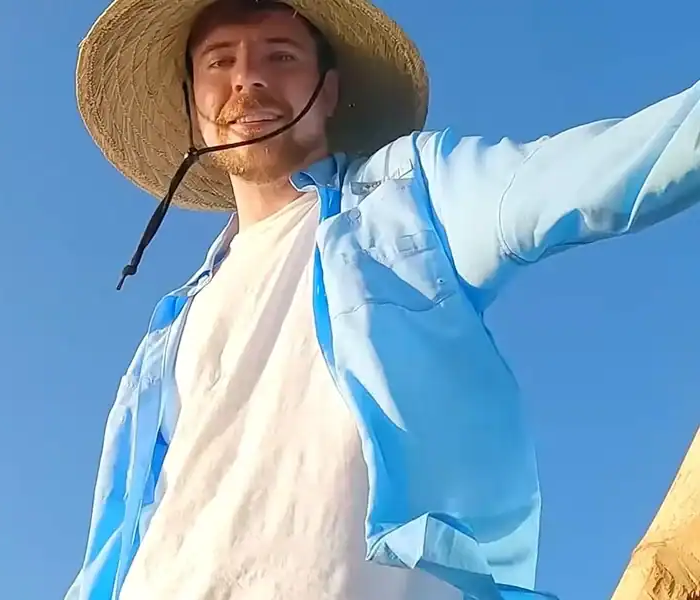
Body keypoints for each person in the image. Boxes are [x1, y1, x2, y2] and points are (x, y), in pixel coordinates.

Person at [67, 0, 700, 598]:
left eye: (281, 55)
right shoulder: (170, 330)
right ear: (192, 102)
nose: (248, 78)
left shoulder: (408, 200)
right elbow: (116, 541)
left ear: (328, 91)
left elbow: (599, 171)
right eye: (219, 60)